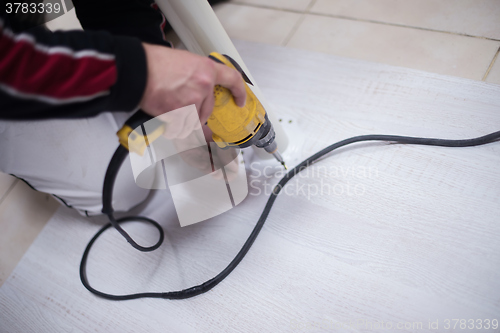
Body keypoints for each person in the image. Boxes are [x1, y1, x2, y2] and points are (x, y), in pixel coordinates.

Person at [0, 0, 246, 215]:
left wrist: (151, 60)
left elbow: (114, 4)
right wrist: (139, 71)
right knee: (123, 186)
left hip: (16, 17)